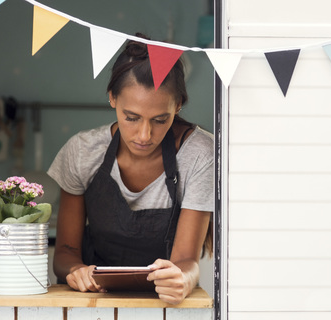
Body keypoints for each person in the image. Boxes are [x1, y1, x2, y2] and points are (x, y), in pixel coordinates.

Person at [47, 33, 213, 305]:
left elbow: (187, 261)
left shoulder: (199, 154)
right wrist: (76, 271)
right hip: (93, 304)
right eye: (131, 118)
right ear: (112, 98)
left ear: (178, 105)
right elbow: (65, 252)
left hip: (163, 305)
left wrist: (181, 279)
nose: (145, 135)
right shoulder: (82, 151)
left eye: (160, 120)